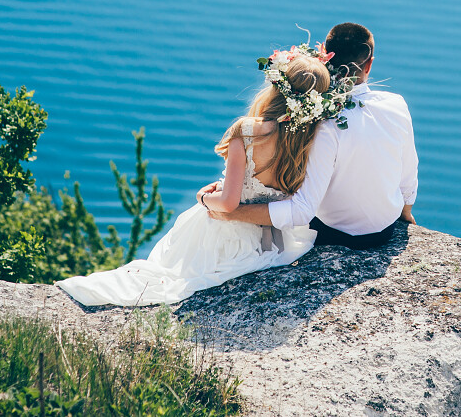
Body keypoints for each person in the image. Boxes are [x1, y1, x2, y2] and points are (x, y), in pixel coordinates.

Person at [56, 51, 336, 306]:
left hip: (227, 239)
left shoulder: (248, 131)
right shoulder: (314, 140)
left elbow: (228, 204)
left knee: (169, 271)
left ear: (276, 87)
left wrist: (203, 197)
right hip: (275, 240)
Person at [208, 22, 418, 250]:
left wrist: (233, 213)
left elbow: (301, 211)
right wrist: (406, 211)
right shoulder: (397, 105)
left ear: (325, 58)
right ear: (369, 65)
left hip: (333, 234)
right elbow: (408, 171)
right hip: (385, 230)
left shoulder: (323, 121)